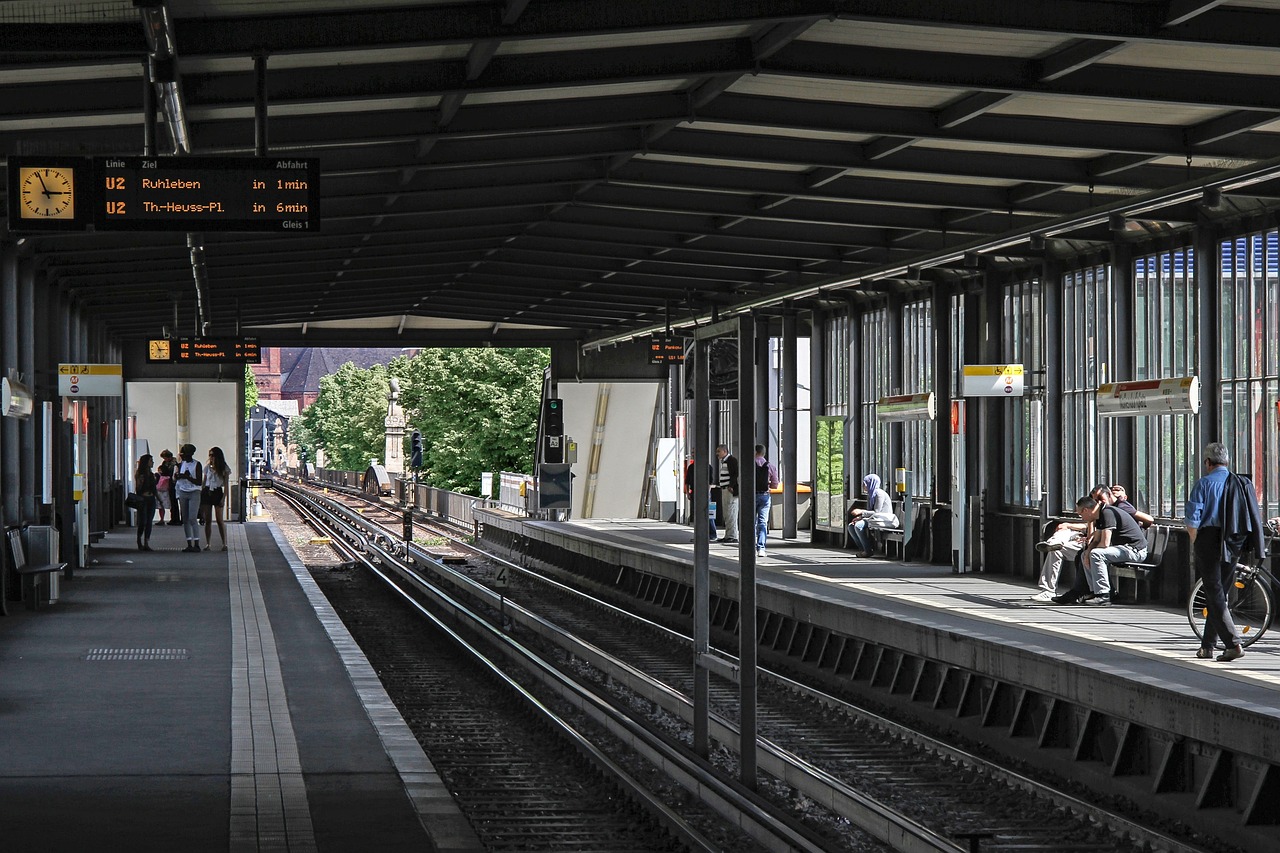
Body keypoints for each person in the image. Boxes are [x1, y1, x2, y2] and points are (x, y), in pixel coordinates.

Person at [1185, 442, 1266, 662]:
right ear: (1227, 462)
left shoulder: (1203, 484)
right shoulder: (1240, 483)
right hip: (1234, 540)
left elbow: (1192, 521)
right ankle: (1207, 646)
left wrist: (1196, 543)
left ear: (1208, 462)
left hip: (1209, 539)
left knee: (1215, 593)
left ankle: (1233, 643)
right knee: (1219, 593)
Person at [847, 473, 898, 558]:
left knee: (858, 526)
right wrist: (860, 517)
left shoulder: (879, 494)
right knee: (851, 526)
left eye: (865, 484)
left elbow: (876, 511)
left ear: (871, 483)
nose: (864, 486)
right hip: (874, 519)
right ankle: (863, 549)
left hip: (883, 519)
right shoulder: (871, 495)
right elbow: (871, 512)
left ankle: (867, 551)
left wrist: (861, 512)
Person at [173, 444, 204, 553]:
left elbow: (199, 482)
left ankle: (196, 543)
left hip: (194, 492)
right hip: (183, 491)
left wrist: (187, 477)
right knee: (185, 518)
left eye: (184, 454)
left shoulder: (197, 464)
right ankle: (189, 543)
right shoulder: (180, 464)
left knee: (192, 518)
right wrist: (178, 476)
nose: (182, 456)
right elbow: (176, 479)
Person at [202, 446, 232, 552]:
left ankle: (224, 543)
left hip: (217, 492)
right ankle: (208, 543)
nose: (211, 457)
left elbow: (226, 485)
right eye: (210, 455)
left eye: (213, 455)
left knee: (220, 520)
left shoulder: (224, 468)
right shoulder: (207, 468)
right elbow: (204, 481)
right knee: (208, 520)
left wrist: (224, 498)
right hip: (207, 491)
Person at [752, 444, 779, 558]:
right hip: (765, 496)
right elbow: (775, 485)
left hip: (751, 496)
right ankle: (761, 548)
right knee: (762, 522)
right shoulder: (771, 466)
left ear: (755, 452)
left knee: (751, 522)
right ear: (764, 453)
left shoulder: (750, 465)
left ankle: (750, 547)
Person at [684, 458, 716, 540]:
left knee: (708, 513)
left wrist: (708, 492)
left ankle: (712, 534)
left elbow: (710, 482)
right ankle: (699, 534)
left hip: (704, 491)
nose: (694, 454)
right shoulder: (691, 467)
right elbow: (687, 481)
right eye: (693, 452)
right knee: (697, 514)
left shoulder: (708, 467)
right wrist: (688, 492)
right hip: (695, 491)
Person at [715, 444, 739, 544]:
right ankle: (728, 535)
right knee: (727, 513)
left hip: (730, 491)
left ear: (725, 451)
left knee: (731, 512)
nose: (717, 454)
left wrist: (731, 486)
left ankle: (732, 536)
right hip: (724, 489)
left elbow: (735, 474)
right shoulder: (724, 462)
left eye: (718, 451)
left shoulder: (731, 460)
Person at [133, 454, 157, 552]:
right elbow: (138, 488)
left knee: (149, 522)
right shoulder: (140, 474)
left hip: (151, 499)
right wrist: (140, 481)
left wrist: (159, 499)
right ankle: (139, 540)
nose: (152, 463)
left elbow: (154, 489)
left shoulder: (151, 474)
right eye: (151, 461)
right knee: (143, 521)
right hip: (143, 499)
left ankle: (146, 542)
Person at [157, 449, 182, 525]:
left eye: (165, 458)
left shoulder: (174, 463)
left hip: (173, 483)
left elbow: (170, 472)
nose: (164, 459)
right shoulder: (166, 463)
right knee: (172, 501)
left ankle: (176, 518)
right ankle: (173, 518)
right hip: (168, 483)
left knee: (174, 502)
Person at [154, 450, 172, 525]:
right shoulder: (167, 475)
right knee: (168, 504)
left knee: (161, 505)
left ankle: (162, 519)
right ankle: (168, 518)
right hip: (166, 490)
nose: (164, 459)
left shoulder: (159, 475)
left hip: (160, 490)